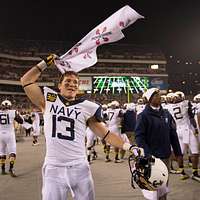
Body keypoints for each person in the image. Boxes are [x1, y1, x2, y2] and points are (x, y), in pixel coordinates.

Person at [20, 54, 138, 200]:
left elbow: (106, 135)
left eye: (76, 82)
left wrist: (129, 147)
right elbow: (26, 80)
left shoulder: (87, 107)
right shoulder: (48, 100)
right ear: (59, 85)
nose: (72, 84)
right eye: (68, 81)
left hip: (79, 166)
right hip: (54, 166)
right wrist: (44, 63)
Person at [135, 88, 183, 200]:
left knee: (163, 188)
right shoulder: (143, 116)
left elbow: (173, 134)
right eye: (155, 95)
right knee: (153, 190)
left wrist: (178, 152)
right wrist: (147, 154)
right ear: (149, 99)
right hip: (152, 158)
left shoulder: (166, 113)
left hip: (165, 156)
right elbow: (139, 137)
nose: (159, 97)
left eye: (159, 95)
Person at [0, 100, 23, 177]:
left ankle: (2, 169)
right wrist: (16, 114)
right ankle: (11, 168)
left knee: (2, 152)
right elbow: (21, 121)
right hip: (10, 134)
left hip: (0, 134)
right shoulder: (12, 112)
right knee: (12, 152)